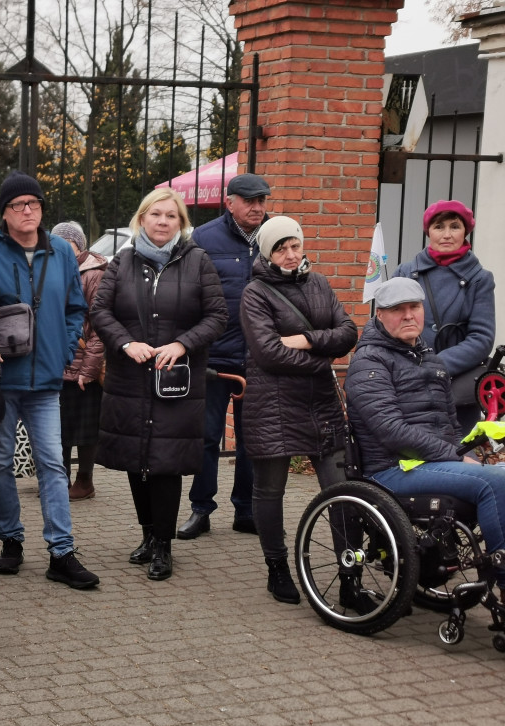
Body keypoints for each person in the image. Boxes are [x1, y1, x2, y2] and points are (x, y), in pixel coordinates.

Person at [0, 171, 100, 589]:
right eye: (17, 205)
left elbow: (75, 307)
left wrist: (63, 351)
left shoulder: (62, 251)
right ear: (4, 214)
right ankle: (11, 539)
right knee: (1, 464)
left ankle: (61, 552)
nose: (27, 211)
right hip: (1, 380)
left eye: (34, 203)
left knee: (52, 465)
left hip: (46, 381)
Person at [90, 189, 226, 580]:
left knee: (164, 463)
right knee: (137, 459)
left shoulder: (198, 262)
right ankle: (148, 536)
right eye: (156, 214)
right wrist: (125, 342)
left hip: (175, 381)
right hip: (130, 376)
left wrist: (183, 343)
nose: (163, 221)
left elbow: (217, 316)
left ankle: (164, 546)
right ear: (142, 219)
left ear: (181, 223)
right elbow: (100, 310)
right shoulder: (123, 261)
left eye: (171, 215)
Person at [346, 276, 505, 600]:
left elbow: (449, 424)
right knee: (494, 483)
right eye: (397, 309)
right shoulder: (369, 361)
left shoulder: (430, 359)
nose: (408, 315)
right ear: (380, 315)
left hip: (430, 463)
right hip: (392, 469)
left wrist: (475, 451)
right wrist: (456, 456)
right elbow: (391, 431)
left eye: (414, 307)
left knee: (495, 471)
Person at [239, 216, 358, 604]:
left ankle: (349, 579)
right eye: (280, 248)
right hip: (271, 404)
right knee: (270, 490)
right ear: (267, 252)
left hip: (320, 403)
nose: (290, 255)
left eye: (295, 246)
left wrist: (306, 339)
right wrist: (323, 356)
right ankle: (277, 569)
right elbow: (268, 353)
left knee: (342, 491)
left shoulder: (320, 283)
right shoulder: (255, 293)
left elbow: (348, 332)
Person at [180, 173, 270, 540]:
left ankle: (246, 510)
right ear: (229, 202)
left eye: (262, 200)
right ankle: (201, 510)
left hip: (261, 359)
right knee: (206, 436)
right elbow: (189, 294)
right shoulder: (203, 237)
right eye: (249, 200)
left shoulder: (275, 235)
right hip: (215, 357)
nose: (257, 207)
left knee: (253, 440)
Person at [392, 200, 495, 432]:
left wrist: (435, 366)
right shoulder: (405, 272)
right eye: (439, 227)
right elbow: (387, 328)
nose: (446, 234)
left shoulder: (480, 279)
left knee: (459, 461)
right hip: (408, 387)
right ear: (428, 231)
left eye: (454, 226)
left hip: (454, 388)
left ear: (465, 231)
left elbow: (481, 339)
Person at [51, 220, 107, 502]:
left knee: (85, 429)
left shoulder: (94, 275)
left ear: (80, 246)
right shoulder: (50, 269)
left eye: (67, 243)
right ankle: (58, 479)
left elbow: (99, 327)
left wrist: (89, 368)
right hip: (56, 363)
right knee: (58, 427)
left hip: (84, 364)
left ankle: (84, 480)